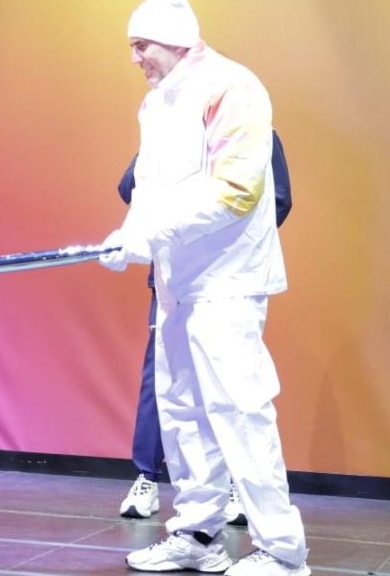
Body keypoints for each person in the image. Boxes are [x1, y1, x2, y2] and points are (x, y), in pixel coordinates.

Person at [99, 0, 309, 576]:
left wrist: (150, 232)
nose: (135, 58)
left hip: (228, 281)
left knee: (240, 409)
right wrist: (128, 234)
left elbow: (236, 191)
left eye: (141, 45)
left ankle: (283, 550)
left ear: (173, 40)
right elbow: (149, 187)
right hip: (177, 282)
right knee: (181, 409)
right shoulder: (157, 104)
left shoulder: (233, 88)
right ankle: (197, 535)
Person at [118, 132, 293, 524]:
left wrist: (227, 244)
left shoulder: (255, 131)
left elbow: (278, 200)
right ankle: (146, 477)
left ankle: (236, 485)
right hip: (174, 280)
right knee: (164, 379)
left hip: (228, 283)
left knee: (230, 386)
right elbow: (130, 185)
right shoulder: (171, 131)